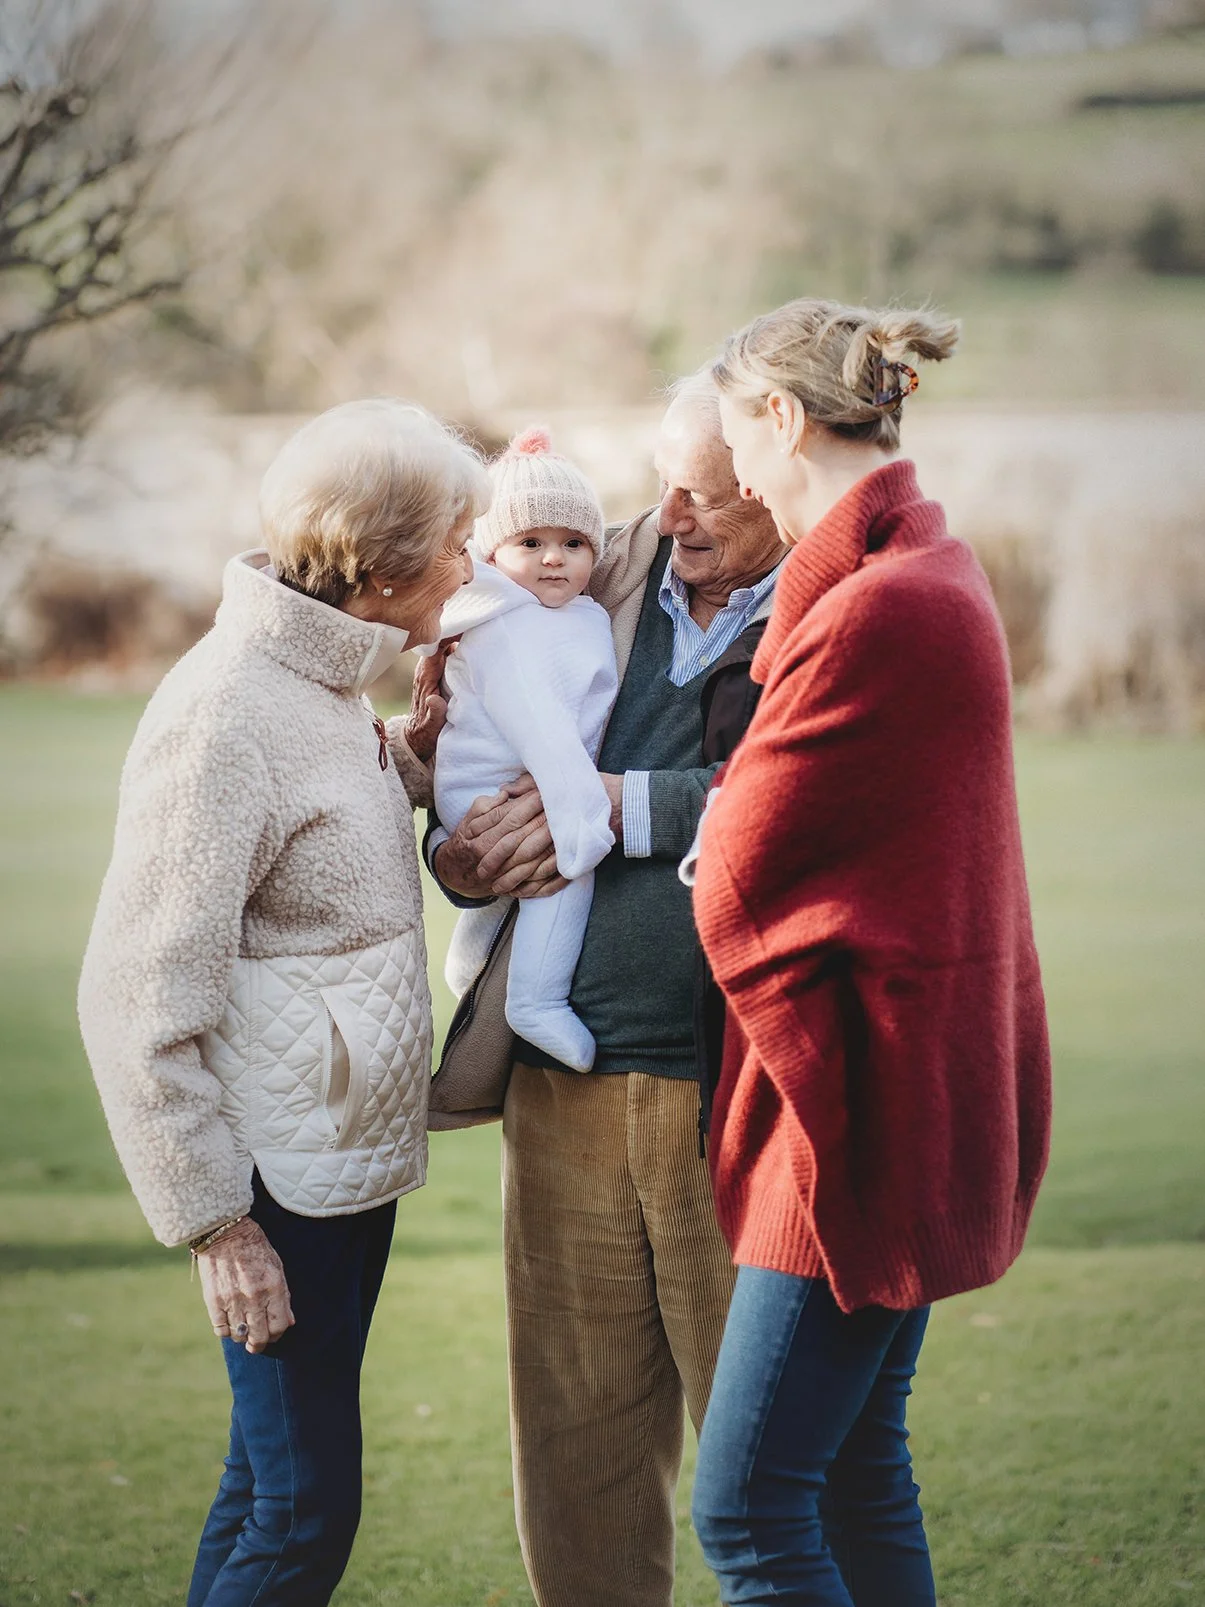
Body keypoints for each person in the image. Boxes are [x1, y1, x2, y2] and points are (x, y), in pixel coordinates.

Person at [77, 398, 488, 1607]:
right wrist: (216, 1224)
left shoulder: (321, 686)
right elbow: (133, 995)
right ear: (385, 563)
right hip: (269, 1189)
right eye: (458, 540)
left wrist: (416, 758)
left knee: (264, 1490)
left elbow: (319, 845)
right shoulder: (222, 714)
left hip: (340, 1162)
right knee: (305, 1512)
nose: (471, 562)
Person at [685, 298, 1053, 1607]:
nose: (731, 477)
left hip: (851, 1113)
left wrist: (697, 835)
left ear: (781, 418)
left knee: (747, 1509)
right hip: (911, 1086)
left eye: (736, 439)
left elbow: (737, 872)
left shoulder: (882, 609)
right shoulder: (926, 575)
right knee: (852, 1472)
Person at [428, 376, 785, 1607]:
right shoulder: (598, 565)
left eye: (707, 491)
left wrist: (622, 807)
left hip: (732, 1095)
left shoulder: (829, 607)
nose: (668, 513)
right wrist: (457, 847)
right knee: (576, 1445)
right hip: (564, 1085)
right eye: (664, 478)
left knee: (764, 1466)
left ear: (781, 481)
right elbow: (469, 747)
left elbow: (785, 794)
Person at [432, 426, 618, 1071]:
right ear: (489, 552)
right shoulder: (506, 627)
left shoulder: (579, 616)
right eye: (529, 543)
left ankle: (469, 964)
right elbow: (543, 731)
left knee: (526, 872)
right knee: (560, 869)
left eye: (573, 543)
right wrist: (583, 825)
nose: (553, 559)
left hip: (535, 774)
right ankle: (535, 1001)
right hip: (491, 791)